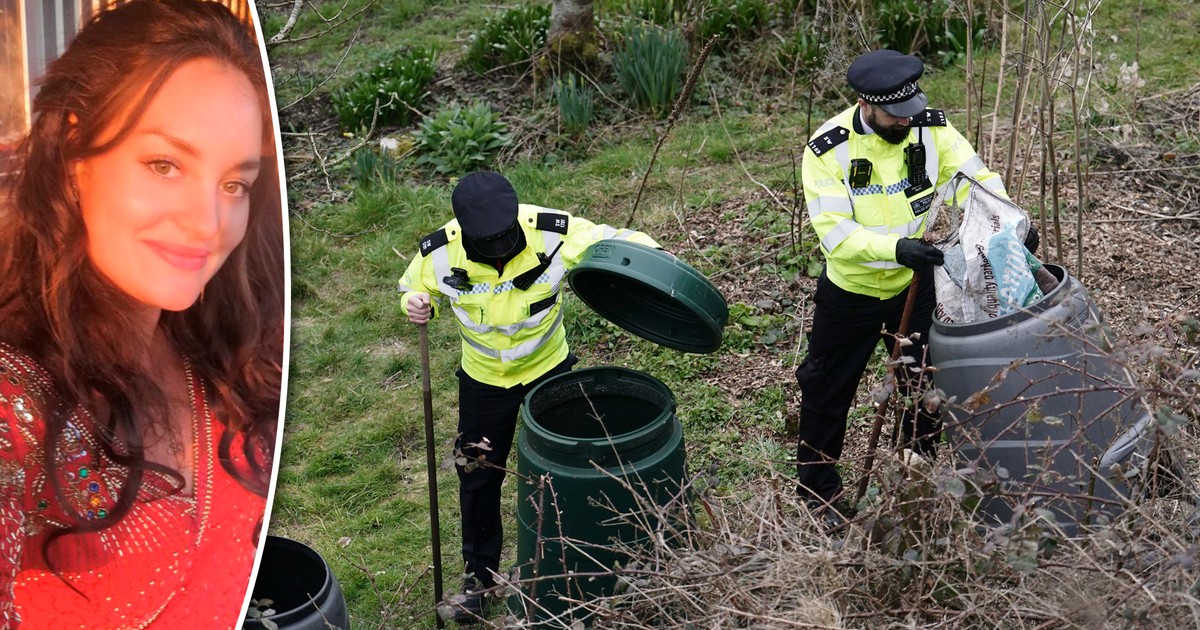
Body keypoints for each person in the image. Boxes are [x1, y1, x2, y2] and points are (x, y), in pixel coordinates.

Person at [0, 1, 285, 627]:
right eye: (164, 165)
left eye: (234, 183)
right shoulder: (16, 394)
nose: (207, 224)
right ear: (75, 149)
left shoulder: (224, 341)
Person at [399, 171, 659, 623]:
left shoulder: (552, 233)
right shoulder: (440, 251)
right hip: (484, 382)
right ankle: (479, 580)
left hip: (549, 371)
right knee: (477, 476)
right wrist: (416, 304)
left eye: (505, 240)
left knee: (566, 467)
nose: (499, 251)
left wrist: (655, 261)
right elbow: (415, 286)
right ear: (465, 233)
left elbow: (618, 241)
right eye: (488, 246)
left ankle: (569, 560)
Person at [795, 50, 1011, 516]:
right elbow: (835, 234)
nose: (906, 124)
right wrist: (896, 249)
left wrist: (1009, 221)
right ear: (865, 105)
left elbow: (978, 180)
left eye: (911, 112)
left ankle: (911, 477)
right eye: (896, 117)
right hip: (851, 293)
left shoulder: (929, 127)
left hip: (914, 287)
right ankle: (819, 496)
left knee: (924, 384)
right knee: (826, 393)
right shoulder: (827, 149)